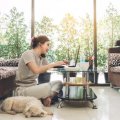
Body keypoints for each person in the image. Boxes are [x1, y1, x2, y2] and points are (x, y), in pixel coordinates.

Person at [15, 35, 68, 107]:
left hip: (34, 87)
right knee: (47, 87)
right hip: (24, 90)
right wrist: (54, 64)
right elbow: (36, 70)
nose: (48, 48)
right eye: (47, 45)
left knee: (59, 83)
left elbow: (48, 68)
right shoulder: (28, 54)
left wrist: (62, 64)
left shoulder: (41, 57)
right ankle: (45, 98)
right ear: (40, 44)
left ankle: (47, 98)